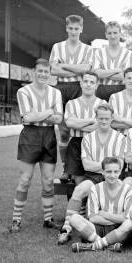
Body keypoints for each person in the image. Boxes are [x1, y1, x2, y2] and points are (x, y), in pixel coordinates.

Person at [57, 104, 127, 245]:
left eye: (106, 118)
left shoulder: (120, 138)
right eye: (100, 118)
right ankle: (66, 230)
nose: (103, 121)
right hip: (94, 177)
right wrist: (108, 167)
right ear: (96, 118)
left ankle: (117, 229)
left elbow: (119, 165)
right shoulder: (88, 138)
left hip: (114, 177)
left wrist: (102, 167)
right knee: (78, 190)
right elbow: (86, 165)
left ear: (112, 118)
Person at [10, 58, 63, 232]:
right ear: (34, 71)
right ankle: (16, 220)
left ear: (50, 74)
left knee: (48, 180)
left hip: (48, 135)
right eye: (39, 71)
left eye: (46, 72)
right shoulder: (23, 91)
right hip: (30, 136)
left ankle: (48, 219)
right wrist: (49, 111)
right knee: (25, 179)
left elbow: (59, 118)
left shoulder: (56, 93)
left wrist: (37, 114)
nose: (42, 74)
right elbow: (28, 118)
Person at [49, 14, 94, 182]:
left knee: (79, 130)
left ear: (81, 29)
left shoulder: (88, 49)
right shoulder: (57, 47)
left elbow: (86, 69)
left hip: (78, 88)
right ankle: (65, 169)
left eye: (77, 28)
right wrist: (76, 69)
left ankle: (80, 166)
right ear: (66, 28)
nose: (74, 31)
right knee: (64, 132)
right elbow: (53, 70)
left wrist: (65, 65)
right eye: (71, 28)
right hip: (61, 88)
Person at [67, 157, 132, 252]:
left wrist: (104, 214)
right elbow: (93, 218)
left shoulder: (128, 189)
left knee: (129, 223)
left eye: (115, 172)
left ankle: (94, 245)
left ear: (120, 172)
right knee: (73, 218)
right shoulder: (95, 189)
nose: (112, 175)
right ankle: (103, 244)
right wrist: (118, 218)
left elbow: (126, 219)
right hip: (98, 229)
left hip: (118, 230)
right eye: (109, 172)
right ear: (102, 172)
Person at [63, 71, 106, 185]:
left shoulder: (103, 103)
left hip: (97, 143)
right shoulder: (71, 103)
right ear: (81, 83)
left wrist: (79, 124)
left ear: (96, 85)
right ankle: (81, 202)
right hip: (77, 143)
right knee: (79, 179)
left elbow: (101, 125)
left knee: (97, 177)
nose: (88, 84)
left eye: (92, 82)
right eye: (86, 81)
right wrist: (91, 121)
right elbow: (70, 123)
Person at [93, 20, 132, 101]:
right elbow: (97, 74)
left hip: (121, 91)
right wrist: (116, 70)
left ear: (120, 34)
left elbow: (125, 77)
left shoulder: (128, 54)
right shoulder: (99, 52)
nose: (112, 36)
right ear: (106, 35)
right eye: (110, 33)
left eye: (115, 33)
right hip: (102, 90)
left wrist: (104, 73)